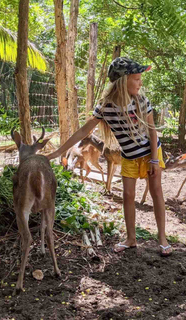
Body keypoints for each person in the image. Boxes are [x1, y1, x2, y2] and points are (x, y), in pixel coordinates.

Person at [47, 57, 173, 257]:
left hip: (151, 152)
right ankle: (131, 239)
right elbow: (83, 132)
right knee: (128, 196)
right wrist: (57, 152)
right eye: (137, 78)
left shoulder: (141, 101)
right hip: (130, 157)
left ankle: (162, 238)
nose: (141, 83)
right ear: (123, 82)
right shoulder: (105, 107)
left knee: (156, 192)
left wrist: (155, 160)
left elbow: (152, 130)